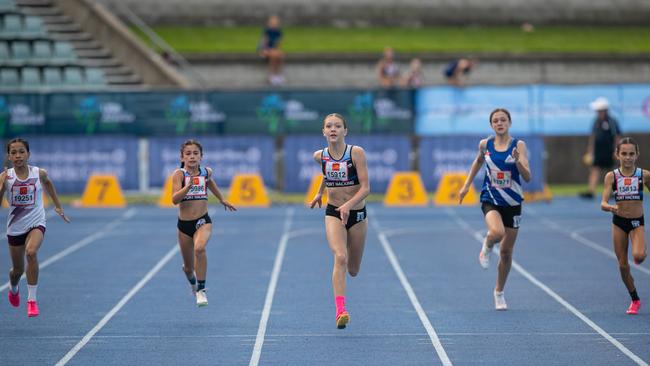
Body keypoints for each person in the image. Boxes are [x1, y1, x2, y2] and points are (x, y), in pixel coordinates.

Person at [459, 108, 531, 310]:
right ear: (491, 125)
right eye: (496, 121)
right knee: (497, 232)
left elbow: (527, 177)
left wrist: (518, 161)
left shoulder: (519, 146)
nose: (500, 123)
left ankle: (499, 291)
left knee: (507, 252)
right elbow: (478, 162)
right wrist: (466, 186)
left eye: (503, 120)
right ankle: (487, 245)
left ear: (509, 122)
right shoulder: (485, 144)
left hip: (513, 203)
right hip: (490, 198)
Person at [309, 113, 370, 328]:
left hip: (357, 215)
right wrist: (319, 193)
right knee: (340, 257)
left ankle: (342, 303)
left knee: (353, 269)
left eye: (337, 126)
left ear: (345, 130)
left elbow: (366, 188)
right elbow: (328, 174)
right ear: (323, 132)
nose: (333, 129)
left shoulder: (356, 153)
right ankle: (340, 310)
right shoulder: (320, 156)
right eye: (329, 126)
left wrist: (349, 205)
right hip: (334, 212)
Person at [0, 138, 70, 317]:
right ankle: (14, 287)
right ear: (9, 156)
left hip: (36, 221)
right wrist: (1, 188)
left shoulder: (39, 173)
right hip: (15, 226)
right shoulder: (5, 177)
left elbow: (48, 184)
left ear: (28, 154)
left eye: (21, 152)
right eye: (14, 153)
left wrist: (58, 206)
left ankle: (31, 300)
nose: (18, 156)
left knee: (31, 253)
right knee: (17, 270)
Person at [171, 139, 236, 307]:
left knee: (200, 248)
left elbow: (210, 182)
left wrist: (222, 199)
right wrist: (188, 187)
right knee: (188, 268)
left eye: (195, 153)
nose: (192, 157)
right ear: (182, 157)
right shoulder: (179, 174)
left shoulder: (206, 172)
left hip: (203, 221)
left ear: (201, 156)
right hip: (184, 226)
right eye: (188, 154)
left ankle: (201, 289)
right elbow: (174, 200)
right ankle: (193, 283)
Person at [600, 137, 648, 314]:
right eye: (624, 154)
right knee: (622, 266)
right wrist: (611, 207)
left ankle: (639, 250)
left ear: (637, 155)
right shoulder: (612, 176)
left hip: (636, 222)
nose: (628, 158)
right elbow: (603, 203)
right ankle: (635, 299)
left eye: (631, 154)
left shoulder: (644, 175)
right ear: (617, 155)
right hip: (619, 222)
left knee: (639, 256)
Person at [580, 97, 621, 199]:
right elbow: (593, 136)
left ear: (604, 110)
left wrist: (617, 150)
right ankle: (591, 191)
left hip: (609, 151)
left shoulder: (612, 121)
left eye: (599, 110)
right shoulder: (596, 121)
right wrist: (590, 151)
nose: (598, 112)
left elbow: (617, 137)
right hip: (598, 151)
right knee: (594, 169)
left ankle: (612, 191)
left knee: (611, 171)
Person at [257, 15, 285, 86]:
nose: (274, 25)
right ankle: (271, 75)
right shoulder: (267, 31)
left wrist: (279, 51)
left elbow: (278, 44)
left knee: (279, 55)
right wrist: (263, 50)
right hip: (266, 50)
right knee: (273, 55)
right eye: (272, 23)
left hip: (273, 50)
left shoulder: (278, 32)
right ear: (269, 24)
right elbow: (264, 42)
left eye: (275, 23)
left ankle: (278, 74)